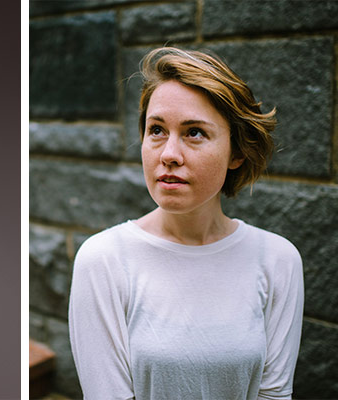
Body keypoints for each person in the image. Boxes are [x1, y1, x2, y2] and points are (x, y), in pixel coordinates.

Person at [69, 47, 303, 399]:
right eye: (157, 130)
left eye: (194, 133)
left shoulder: (277, 260)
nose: (169, 155)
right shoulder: (103, 259)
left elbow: (274, 394)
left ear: (237, 152)